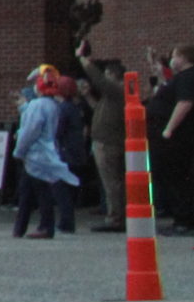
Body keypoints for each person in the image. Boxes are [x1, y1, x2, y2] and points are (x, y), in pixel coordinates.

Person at [147, 46, 194, 232]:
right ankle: (181, 217)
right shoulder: (181, 78)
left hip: (182, 140)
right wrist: (155, 64)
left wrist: (168, 129)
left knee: (179, 179)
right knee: (173, 178)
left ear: (183, 57)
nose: (171, 59)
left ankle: (185, 219)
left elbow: (185, 103)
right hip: (176, 138)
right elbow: (166, 83)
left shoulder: (190, 77)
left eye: (174, 55)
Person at [10, 66, 79, 238]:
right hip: (47, 152)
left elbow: (30, 131)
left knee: (38, 192)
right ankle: (21, 227)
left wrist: (19, 151)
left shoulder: (38, 105)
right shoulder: (53, 105)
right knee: (29, 190)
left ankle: (42, 226)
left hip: (35, 154)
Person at [81, 48, 127, 232]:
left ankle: (116, 218)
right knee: (110, 181)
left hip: (108, 143)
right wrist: (87, 96)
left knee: (112, 182)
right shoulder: (111, 97)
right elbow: (98, 109)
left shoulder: (117, 90)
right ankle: (114, 214)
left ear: (113, 76)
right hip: (103, 141)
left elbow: (99, 81)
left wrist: (84, 61)